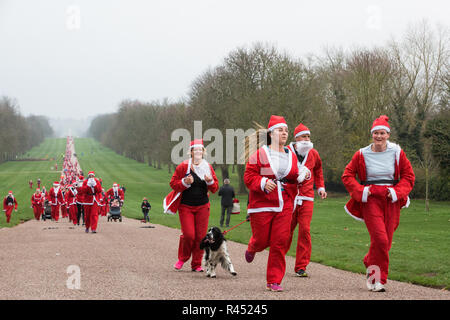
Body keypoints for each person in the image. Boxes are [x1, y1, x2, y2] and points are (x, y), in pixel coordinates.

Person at [342, 115, 415, 292]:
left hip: (391, 199)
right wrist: (362, 192)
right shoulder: (362, 153)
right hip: (371, 199)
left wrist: (397, 192)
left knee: (385, 241)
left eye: (382, 133)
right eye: (376, 133)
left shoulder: (397, 152)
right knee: (380, 240)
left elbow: (408, 176)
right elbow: (347, 175)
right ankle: (378, 279)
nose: (379, 137)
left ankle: (369, 260)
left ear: (388, 135)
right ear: (372, 135)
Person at [243, 115, 310, 292]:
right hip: (263, 204)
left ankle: (274, 280)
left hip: (286, 202)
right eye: (281, 130)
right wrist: (263, 183)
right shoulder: (260, 154)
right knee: (262, 240)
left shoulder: (291, 154)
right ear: (271, 133)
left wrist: (303, 175)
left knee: (280, 241)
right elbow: (249, 177)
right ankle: (253, 246)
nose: (284, 133)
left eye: (286, 130)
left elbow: (296, 173)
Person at [164, 139, 219, 272]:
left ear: (203, 152)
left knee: (200, 237)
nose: (198, 152)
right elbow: (173, 183)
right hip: (186, 206)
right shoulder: (183, 166)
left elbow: (215, 188)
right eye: (196, 149)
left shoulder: (208, 167)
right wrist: (184, 181)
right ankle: (182, 258)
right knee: (189, 235)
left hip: (202, 206)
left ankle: (196, 264)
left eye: (201, 150)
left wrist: (210, 181)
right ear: (191, 151)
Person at [286, 123, 327, 278]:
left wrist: (321, 187)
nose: (307, 139)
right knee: (286, 231)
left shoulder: (313, 153)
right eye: (304, 136)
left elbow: (318, 170)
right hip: (290, 197)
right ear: (296, 138)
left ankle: (301, 266)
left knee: (305, 230)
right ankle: (278, 259)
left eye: (308, 136)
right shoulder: (286, 152)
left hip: (307, 197)